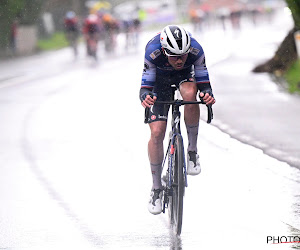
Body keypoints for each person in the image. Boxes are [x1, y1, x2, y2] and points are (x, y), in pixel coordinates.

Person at [139, 25, 216, 215]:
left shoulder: (196, 50)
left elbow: (204, 82)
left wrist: (206, 94)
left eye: (183, 55)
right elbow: (145, 86)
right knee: (157, 132)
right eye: (174, 56)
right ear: (164, 51)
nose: (180, 60)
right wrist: (146, 97)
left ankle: (192, 152)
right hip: (159, 82)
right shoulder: (153, 51)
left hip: (185, 78)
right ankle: (156, 188)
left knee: (191, 94)